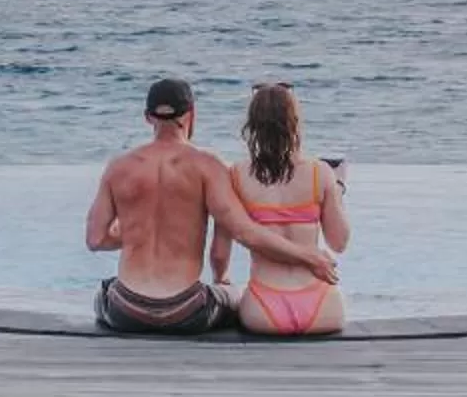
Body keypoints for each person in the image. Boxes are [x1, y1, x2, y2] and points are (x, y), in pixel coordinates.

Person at [86, 77, 336, 334]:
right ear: (190, 114)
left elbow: (95, 239)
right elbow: (245, 232)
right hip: (185, 310)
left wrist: (136, 232)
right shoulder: (208, 166)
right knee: (233, 294)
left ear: (148, 117)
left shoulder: (118, 167)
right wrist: (307, 255)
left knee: (104, 292)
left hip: (126, 310)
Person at [212, 81, 349, 338]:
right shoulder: (320, 173)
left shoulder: (235, 176)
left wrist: (222, 280)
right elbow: (339, 242)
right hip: (324, 308)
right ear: (295, 123)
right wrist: (338, 188)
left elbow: (220, 254)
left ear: (253, 125)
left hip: (263, 309)